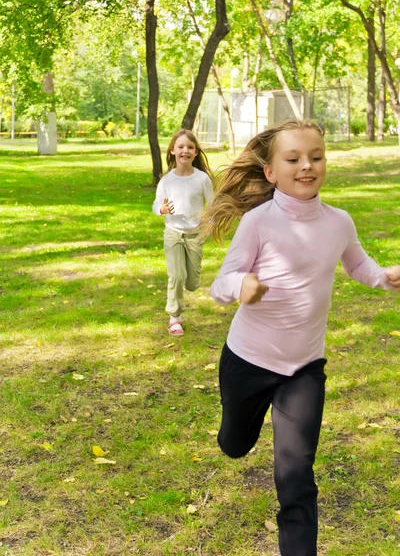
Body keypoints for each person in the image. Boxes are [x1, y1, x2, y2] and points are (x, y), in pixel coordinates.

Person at [201, 118, 400, 556]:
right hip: (248, 362)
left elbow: (358, 266)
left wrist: (386, 278)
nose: (307, 166)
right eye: (293, 159)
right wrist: (242, 287)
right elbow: (220, 285)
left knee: (296, 476)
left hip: (303, 369)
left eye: (316, 157)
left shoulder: (339, 222)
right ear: (271, 172)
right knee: (235, 446)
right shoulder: (257, 222)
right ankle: (232, 434)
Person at [152, 129, 214, 336]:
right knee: (176, 276)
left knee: (192, 283)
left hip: (195, 235)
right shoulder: (167, 180)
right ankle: (174, 317)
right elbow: (155, 205)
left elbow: (213, 205)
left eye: (190, 147)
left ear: (196, 152)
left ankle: (188, 284)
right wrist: (161, 210)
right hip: (173, 233)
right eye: (180, 147)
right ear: (172, 151)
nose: (185, 151)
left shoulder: (202, 179)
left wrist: (210, 222)